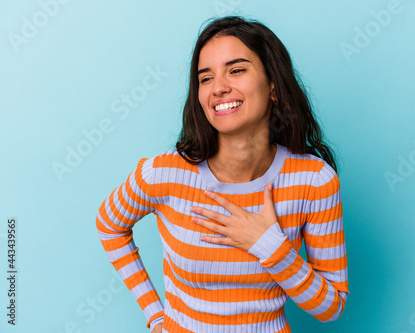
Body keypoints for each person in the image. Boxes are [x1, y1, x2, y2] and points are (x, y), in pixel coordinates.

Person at [96, 15, 348, 333]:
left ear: (273, 85)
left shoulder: (314, 181)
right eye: (205, 78)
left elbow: (333, 307)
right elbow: (109, 225)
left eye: (236, 70)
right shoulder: (165, 173)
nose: (219, 88)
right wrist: (156, 317)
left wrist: (269, 246)